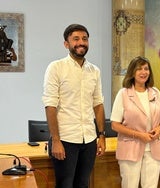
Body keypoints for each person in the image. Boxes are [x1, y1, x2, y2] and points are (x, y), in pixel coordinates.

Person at [42, 24, 106, 188]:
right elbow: (50, 106)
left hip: (89, 139)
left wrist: (101, 135)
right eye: (76, 39)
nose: (81, 42)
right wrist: (55, 140)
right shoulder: (56, 68)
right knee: (65, 185)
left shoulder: (94, 71)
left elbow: (98, 104)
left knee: (83, 184)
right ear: (66, 44)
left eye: (84, 39)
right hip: (65, 139)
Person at [110, 56, 160, 188]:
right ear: (132, 72)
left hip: (153, 149)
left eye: (146, 69)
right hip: (130, 149)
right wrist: (140, 135)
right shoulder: (123, 94)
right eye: (139, 69)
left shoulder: (155, 92)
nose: (143, 72)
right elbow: (115, 125)